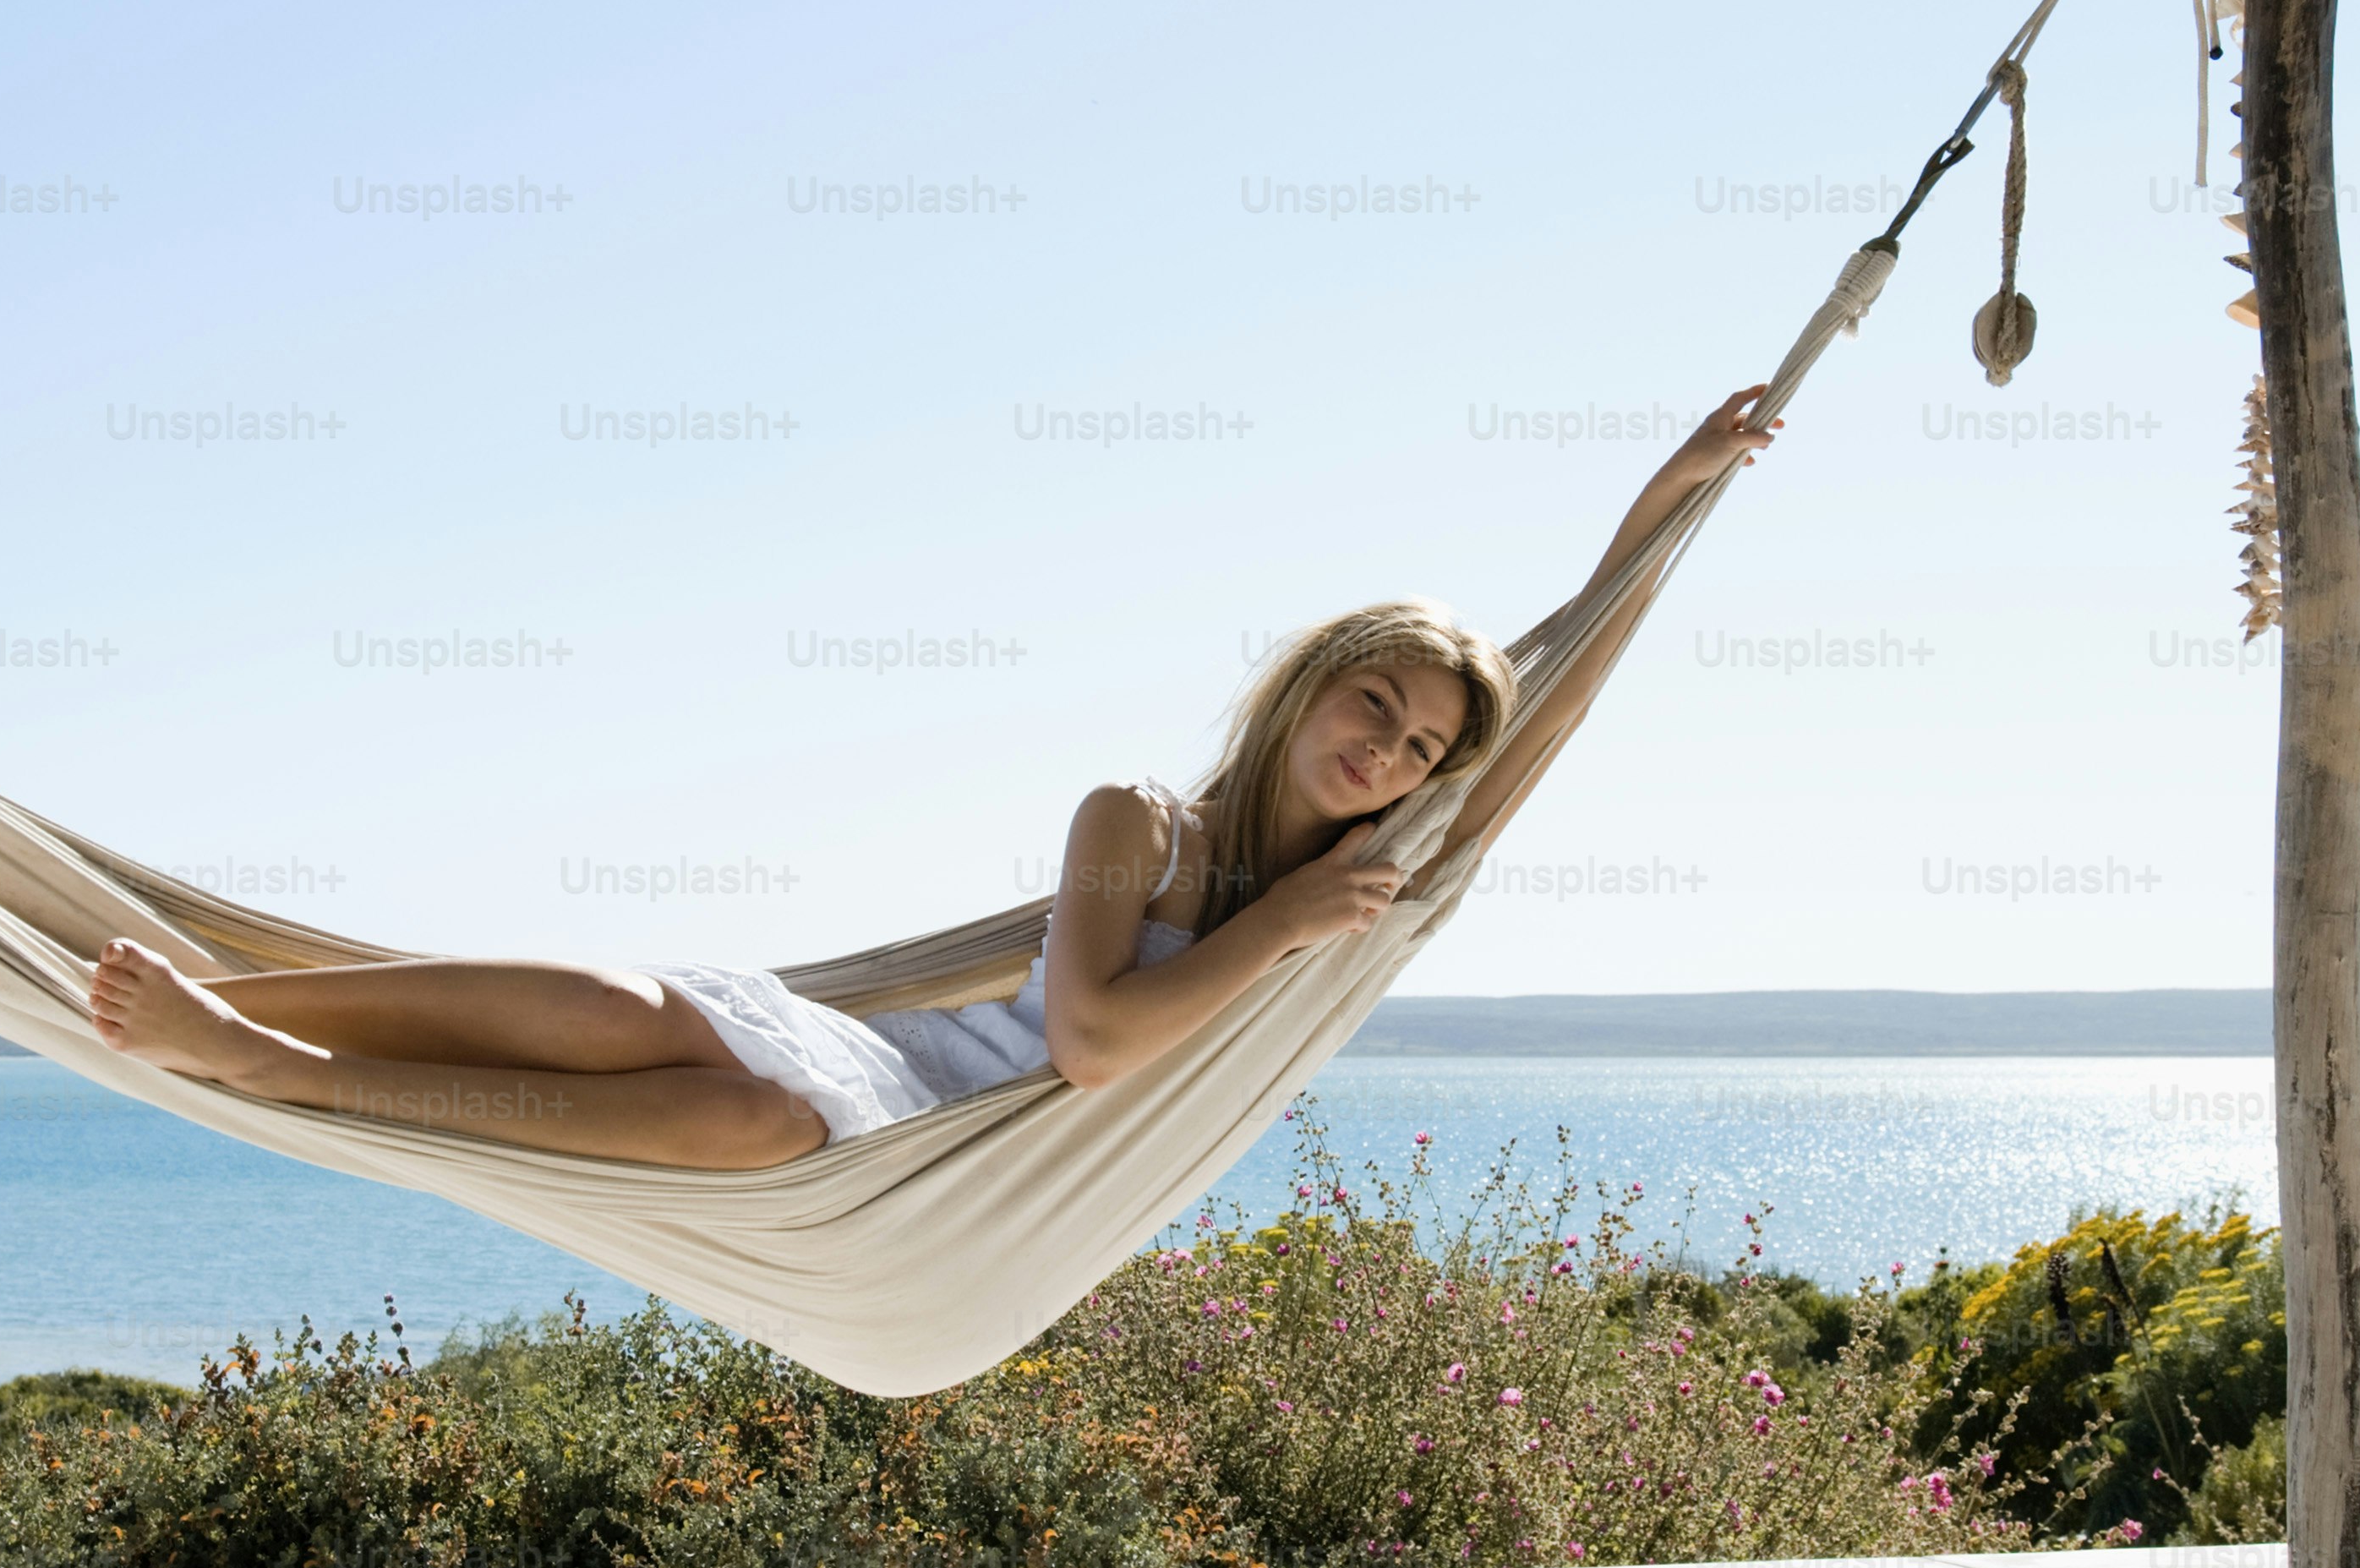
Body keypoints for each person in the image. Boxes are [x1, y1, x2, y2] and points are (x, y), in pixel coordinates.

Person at [85, 384, 1781, 1166]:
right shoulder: (1141, 823)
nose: (1391, 754)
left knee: (749, 1125)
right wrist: (1278, 927)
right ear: (1310, 682)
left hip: (930, 1163)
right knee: (631, 1007)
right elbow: (1093, 1034)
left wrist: (1667, 507)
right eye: (1377, 704)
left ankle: (273, 1059)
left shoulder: (1340, 892)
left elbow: (1541, 705)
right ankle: (245, 1006)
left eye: (1417, 749)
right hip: (880, 1060)